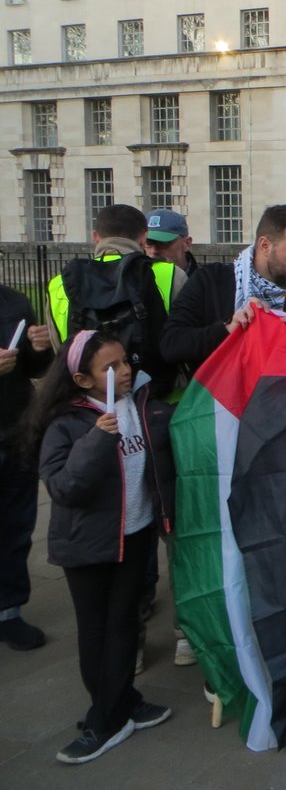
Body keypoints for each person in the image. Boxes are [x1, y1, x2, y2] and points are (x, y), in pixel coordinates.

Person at [26, 331, 176, 764]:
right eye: (109, 368)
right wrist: (97, 439)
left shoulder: (141, 403)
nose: (124, 370)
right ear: (82, 379)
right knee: (98, 632)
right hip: (88, 545)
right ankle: (104, 719)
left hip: (136, 533)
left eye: (124, 361)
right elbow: (64, 487)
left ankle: (122, 703)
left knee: (125, 624)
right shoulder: (69, 422)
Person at [160, 204, 286, 373]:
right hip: (218, 396)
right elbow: (171, 345)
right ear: (265, 246)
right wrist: (228, 329)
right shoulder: (211, 281)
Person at [47, 204, 185, 398]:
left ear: (96, 236)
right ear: (144, 237)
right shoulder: (168, 274)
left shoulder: (60, 283)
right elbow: (183, 341)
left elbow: (60, 349)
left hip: (88, 401)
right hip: (157, 398)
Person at [0, 286, 53, 651]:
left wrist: (40, 348)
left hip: (16, 431)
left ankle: (9, 612)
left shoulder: (14, 302)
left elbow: (36, 368)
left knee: (16, 526)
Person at [144, 209, 198, 277]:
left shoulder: (207, 283)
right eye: (148, 243)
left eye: (163, 243)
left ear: (186, 244)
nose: (154, 251)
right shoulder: (133, 281)